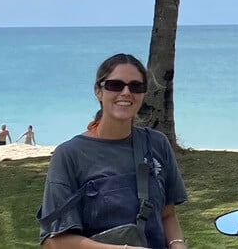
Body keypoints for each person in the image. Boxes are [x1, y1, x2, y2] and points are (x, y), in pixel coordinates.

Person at [38, 53, 188, 249]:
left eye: (136, 86)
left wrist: (177, 244)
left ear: (143, 94)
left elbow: (167, 214)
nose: (126, 92)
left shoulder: (157, 143)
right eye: (115, 85)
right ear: (98, 91)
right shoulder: (69, 155)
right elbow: (54, 241)